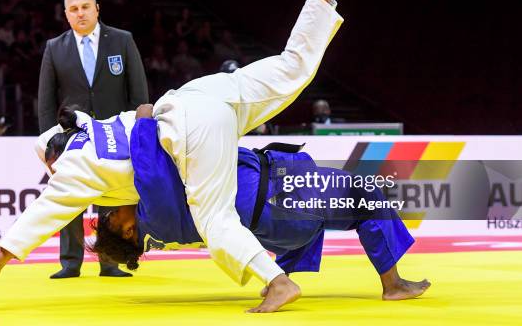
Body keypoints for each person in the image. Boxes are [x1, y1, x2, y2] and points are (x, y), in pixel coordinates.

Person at [0, 0, 367, 312]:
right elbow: (140, 114)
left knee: (214, 218)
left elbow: (43, 213)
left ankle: (277, 281)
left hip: (192, 128)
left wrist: (0, 259)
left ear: (53, 161)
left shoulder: (71, 170)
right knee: (290, 69)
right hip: (197, 95)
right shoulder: (94, 125)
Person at [90, 115, 430, 301]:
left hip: (278, 216)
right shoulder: (156, 217)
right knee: (366, 196)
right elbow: (150, 167)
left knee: (326, 214)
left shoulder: (159, 230)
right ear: (127, 231)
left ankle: (279, 279)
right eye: (110, 216)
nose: (114, 208)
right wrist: (145, 117)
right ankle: (393, 284)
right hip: (279, 201)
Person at [37, 0, 148, 279]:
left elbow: (138, 93)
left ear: (97, 8)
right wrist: (50, 142)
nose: (80, 13)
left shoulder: (122, 40)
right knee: (71, 195)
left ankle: (110, 260)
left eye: (85, 7)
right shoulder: (55, 47)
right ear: (66, 15)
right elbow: (46, 100)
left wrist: (140, 134)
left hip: (116, 134)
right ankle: (70, 262)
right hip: (72, 136)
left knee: (112, 196)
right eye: (73, 9)